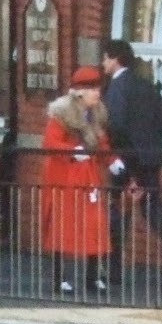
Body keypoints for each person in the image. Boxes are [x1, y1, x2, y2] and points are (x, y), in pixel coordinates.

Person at [40, 66, 114, 296]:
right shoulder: (62, 114)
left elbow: (101, 144)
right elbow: (50, 143)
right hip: (64, 178)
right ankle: (61, 278)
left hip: (88, 178)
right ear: (80, 92)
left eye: (98, 88)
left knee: (94, 226)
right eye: (92, 89)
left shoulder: (96, 115)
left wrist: (113, 161)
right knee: (63, 228)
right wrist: (72, 151)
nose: (97, 93)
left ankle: (94, 276)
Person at [101, 39, 162, 282]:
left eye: (106, 58)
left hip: (127, 159)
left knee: (119, 212)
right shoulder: (146, 85)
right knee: (153, 210)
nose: (103, 63)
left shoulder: (117, 88)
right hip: (151, 157)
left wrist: (121, 164)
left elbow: (116, 126)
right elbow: (161, 122)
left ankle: (113, 269)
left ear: (116, 59)